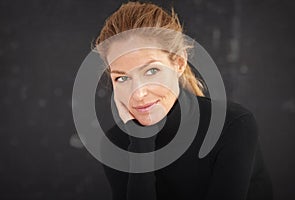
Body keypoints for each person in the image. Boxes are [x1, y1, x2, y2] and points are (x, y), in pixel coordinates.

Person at [94, 1, 273, 200]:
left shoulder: (232, 126)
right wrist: (140, 142)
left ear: (179, 63)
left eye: (151, 71)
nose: (138, 94)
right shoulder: (116, 142)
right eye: (122, 78)